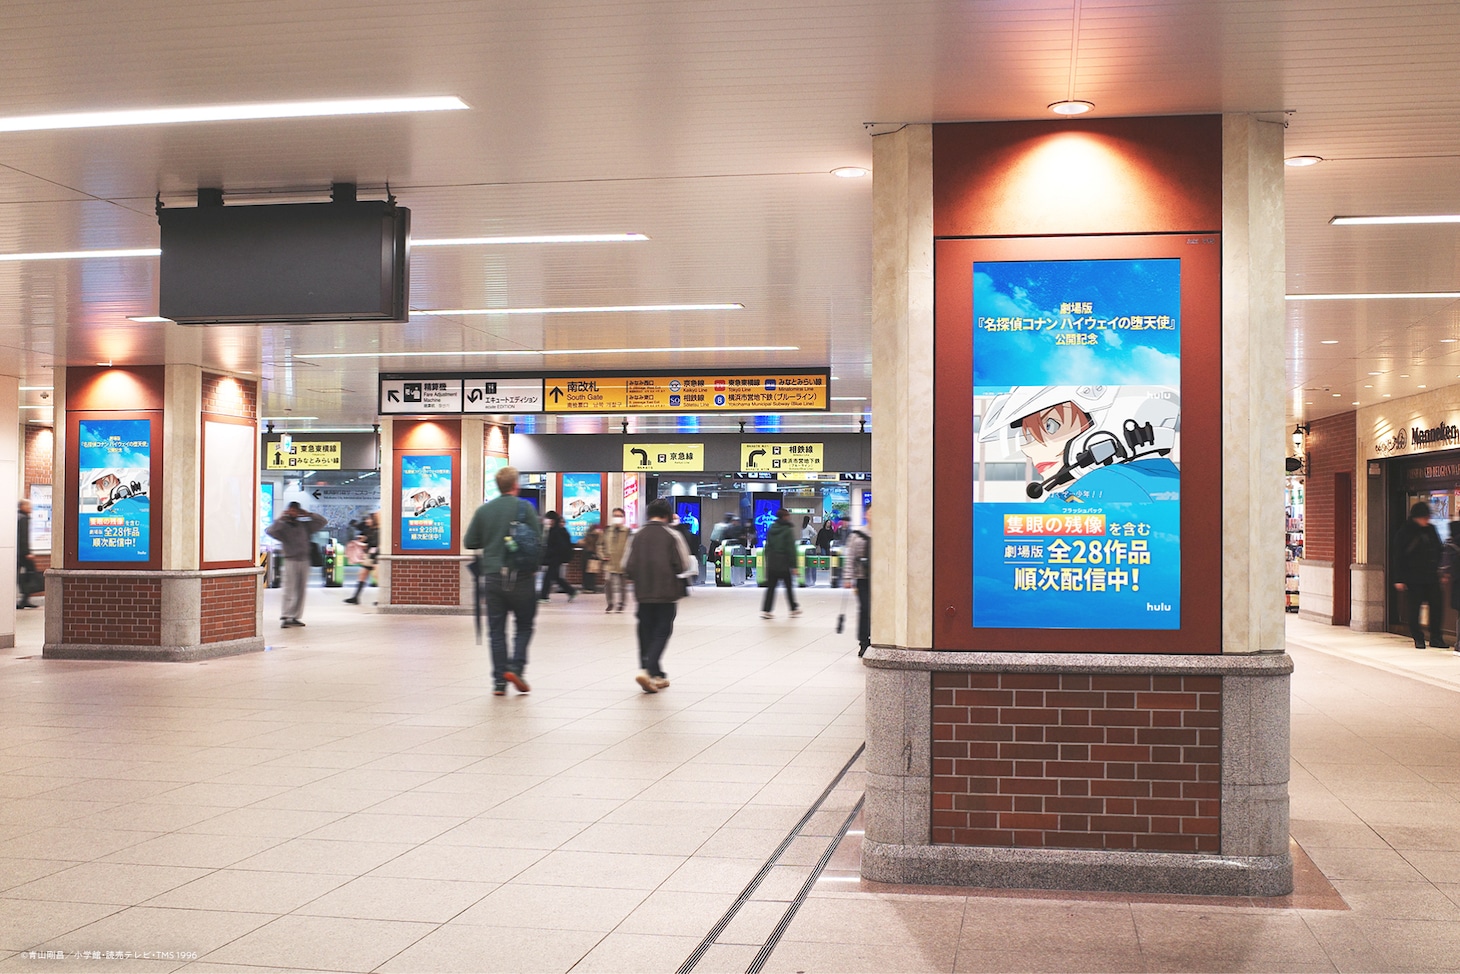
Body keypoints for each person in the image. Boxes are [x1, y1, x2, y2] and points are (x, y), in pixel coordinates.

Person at [464, 465, 541, 695]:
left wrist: (491, 539)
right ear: (515, 485)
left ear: (498, 486)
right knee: (524, 625)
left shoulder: (484, 511)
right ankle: (516, 668)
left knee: (496, 630)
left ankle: (499, 682)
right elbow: (537, 539)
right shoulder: (524, 508)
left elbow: (470, 541)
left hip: (493, 578)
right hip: (522, 578)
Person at [623, 497, 692, 693]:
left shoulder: (637, 535)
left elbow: (627, 565)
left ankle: (656, 674)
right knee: (662, 631)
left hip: (643, 593)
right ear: (667, 516)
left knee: (645, 631)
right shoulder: (672, 535)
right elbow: (683, 564)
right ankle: (647, 670)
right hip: (666, 593)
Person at [1393, 501, 1447, 650]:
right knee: (1414, 609)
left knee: (1437, 607)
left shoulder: (1432, 530)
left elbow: (1439, 550)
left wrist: (1441, 571)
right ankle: (1418, 637)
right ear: (1416, 517)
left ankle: (1436, 637)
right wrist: (1399, 579)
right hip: (1413, 578)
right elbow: (1398, 557)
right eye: (1424, 517)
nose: (1427, 520)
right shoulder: (1404, 532)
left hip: (1432, 577)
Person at [266, 502, 327, 628]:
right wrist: (280, 518)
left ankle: (295, 616)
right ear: (288, 511)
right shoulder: (282, 527)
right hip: (290, 560)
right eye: (291, 510)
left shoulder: (305, 525)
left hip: (304, 560)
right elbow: (270, 531)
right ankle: (286, 615)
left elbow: (323, 521)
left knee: (301, 591)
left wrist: (309, 514)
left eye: (296, 510)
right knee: (289, 589)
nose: (293, 512)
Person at [761, 507, 801, 619]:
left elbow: (767, 547)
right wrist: (794, 566)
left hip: (773, 562)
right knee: (788, 586)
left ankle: (766, 610)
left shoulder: (771, 528)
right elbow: (791, 549)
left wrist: (767, 560)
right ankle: (793, 608)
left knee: (771, 587)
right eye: (788, 515)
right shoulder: (787, 530)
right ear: (784, 517)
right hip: (784, 562)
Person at [843, 508, 872, 655]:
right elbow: (850, 558)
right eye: (871, 512)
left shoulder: (886, 533)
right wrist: (848, 577)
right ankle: (864, 641)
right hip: (863, 578)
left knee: (878, 611)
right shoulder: (856, 535)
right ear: (866, 514)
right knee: (865, 609)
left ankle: (877, 639)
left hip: (880, 581)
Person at [539, 511, 577, 602]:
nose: (548, 521)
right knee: (555, 576)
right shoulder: (553, 530)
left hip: (556, 558)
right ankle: (571, 591)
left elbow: (559, 546)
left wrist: (549, 554)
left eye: (549, 519)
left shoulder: (557, 531)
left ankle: (544, 597)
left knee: (548, 576)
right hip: (555, 557)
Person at [343, 512, 379, 605]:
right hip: (370, 557)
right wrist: (364, 539)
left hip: (376, 558)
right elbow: (370, 541)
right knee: (362, 575)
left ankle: (383, 599)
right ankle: (355, 597)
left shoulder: (379, 531)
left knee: (378, 577)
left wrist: (365, 544)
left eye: (369, 519)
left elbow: (376, 544)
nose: (367, 521)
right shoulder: (370, 530)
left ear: (374, 520)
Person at [601, 508, 631, 612]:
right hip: (609, 562)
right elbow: (600, 544)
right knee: (608, 583)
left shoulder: (627, 531)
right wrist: (602, 555)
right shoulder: (607, 530)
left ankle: (621, 604)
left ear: (623, 518)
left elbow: (631, 547)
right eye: (615, 516)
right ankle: (610, 603)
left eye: (619, 516)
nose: (617, 518)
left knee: (622, 586)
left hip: (622, 562)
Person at [16, 500, 35, 610]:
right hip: (22, 553)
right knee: (30, 574)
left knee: (21, 576)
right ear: (22, 506)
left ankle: (25, 599)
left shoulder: (18, 517)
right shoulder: (23, 518)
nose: (30, 507)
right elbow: (23, 537)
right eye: (28, 505)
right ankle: (24, 599)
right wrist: (27, 552)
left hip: (18, 553)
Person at [581, 523, 604, 594]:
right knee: (591, 573)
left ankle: (588, 587)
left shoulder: (592, 535)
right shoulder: (597, 535)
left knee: (588, 572)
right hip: (592, 554)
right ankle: (590, 587)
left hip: (589, 554)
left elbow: (585, 543)